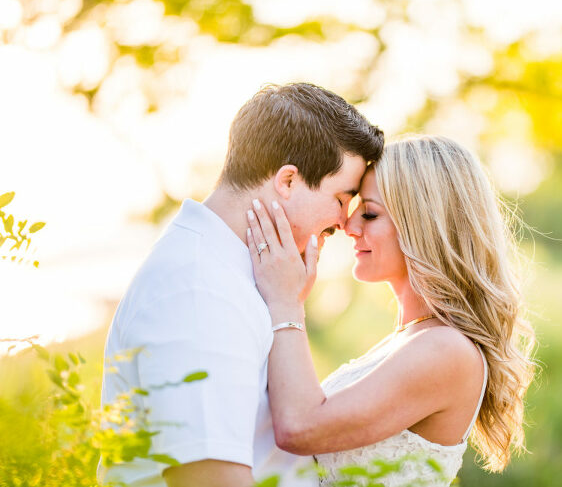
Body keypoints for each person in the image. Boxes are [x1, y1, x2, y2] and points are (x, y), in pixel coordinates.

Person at [99, 83, 384, 487]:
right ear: (287, 181)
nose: (343, 222)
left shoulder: (235, 275)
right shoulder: (198, 289)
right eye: (341, 198)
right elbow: (210, 478)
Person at [246, 136, 536, 486]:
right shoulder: (410, 338)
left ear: (424, 224)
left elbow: (299, 427)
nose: (348, 228)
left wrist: (286, 302)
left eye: (368, 213)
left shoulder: (446, 350)